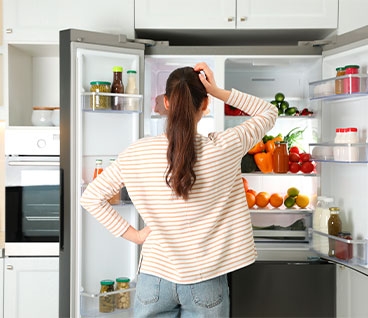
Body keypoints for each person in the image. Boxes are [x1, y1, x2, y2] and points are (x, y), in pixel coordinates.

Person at [80, 62, 277, 317]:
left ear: (167, 102)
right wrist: (217, 91)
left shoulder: (137, 152)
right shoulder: (226, 146)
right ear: (205, 105)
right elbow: (268, 112)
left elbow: (91, 198)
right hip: (206, 279)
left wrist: (137, 236)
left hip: (154, 279)